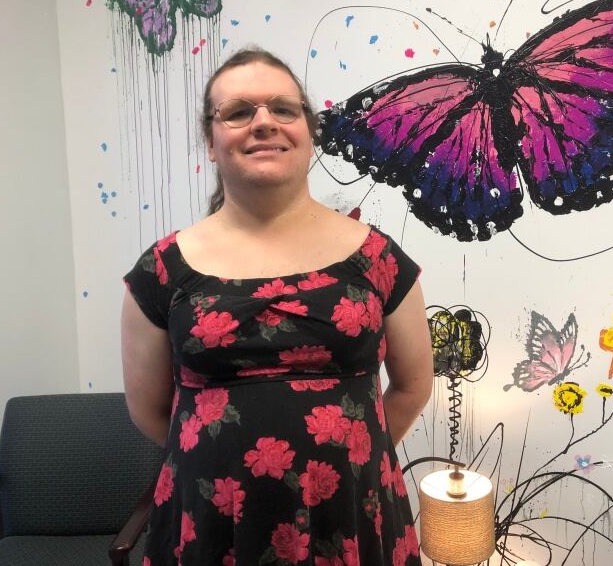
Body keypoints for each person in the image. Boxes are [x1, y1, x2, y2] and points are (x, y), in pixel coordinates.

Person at [120, 47, 434, 566]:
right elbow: (151, 411)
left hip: (352, 513)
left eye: (283, 109)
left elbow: (413, 386)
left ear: (308, 133)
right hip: (210, 522)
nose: (263, 122)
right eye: (239, 111)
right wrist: (227, 466)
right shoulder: (161, 269)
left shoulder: (376, 258)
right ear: (211, 142)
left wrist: (349, 452)